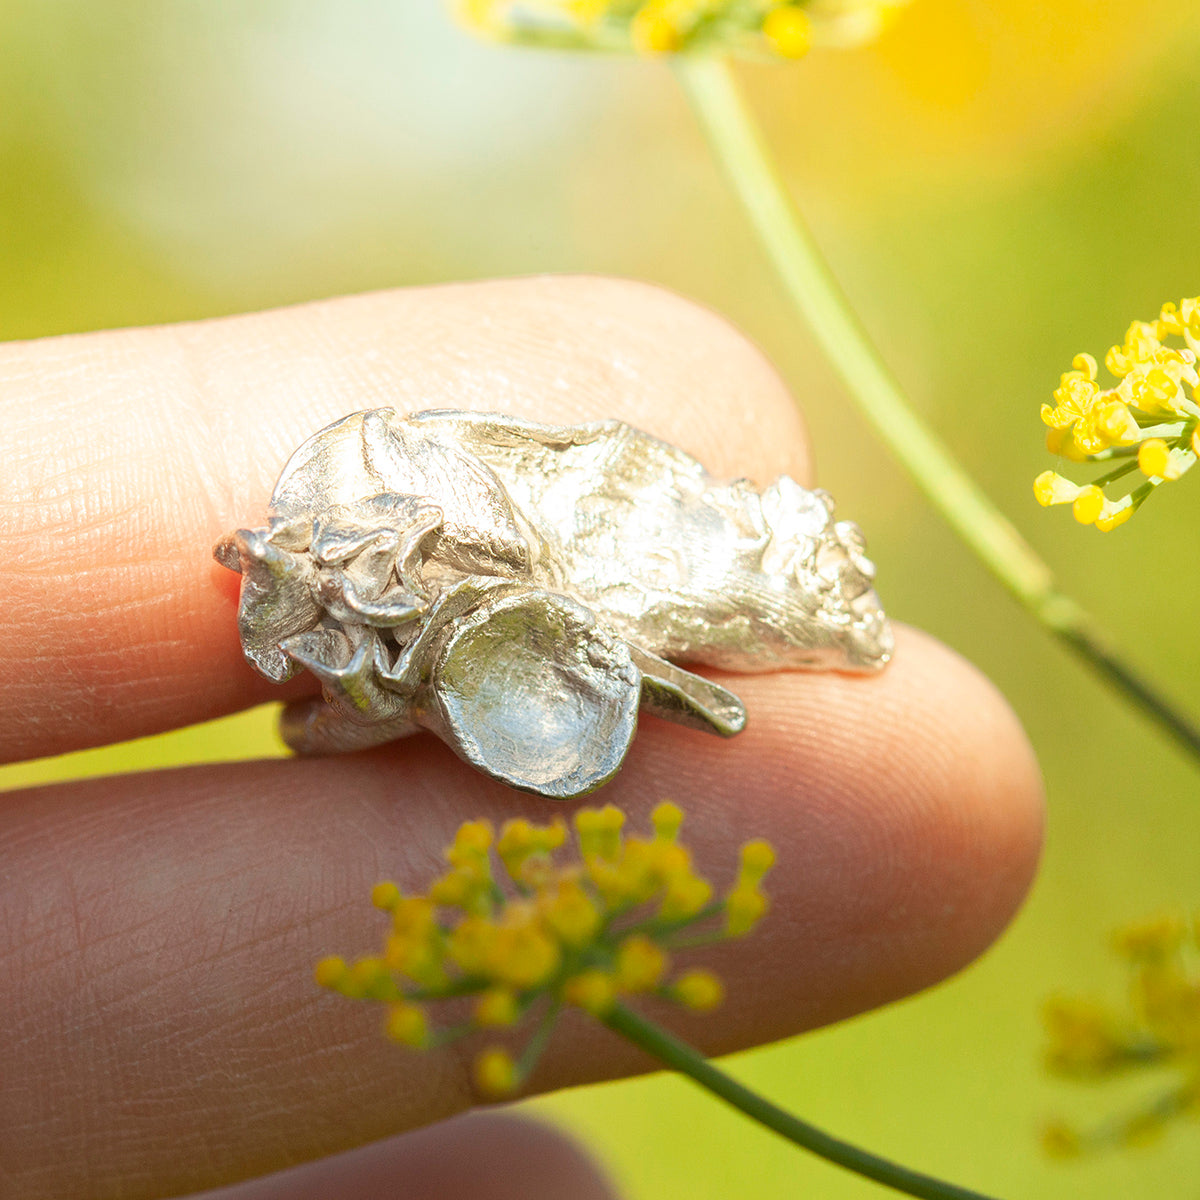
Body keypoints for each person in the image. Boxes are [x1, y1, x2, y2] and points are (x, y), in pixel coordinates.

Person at [0, 277, 1044, 1200]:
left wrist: (367, 703)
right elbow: (370, 691)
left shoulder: (422, 485)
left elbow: (447, 615)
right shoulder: (368, 481)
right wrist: (352, 710)